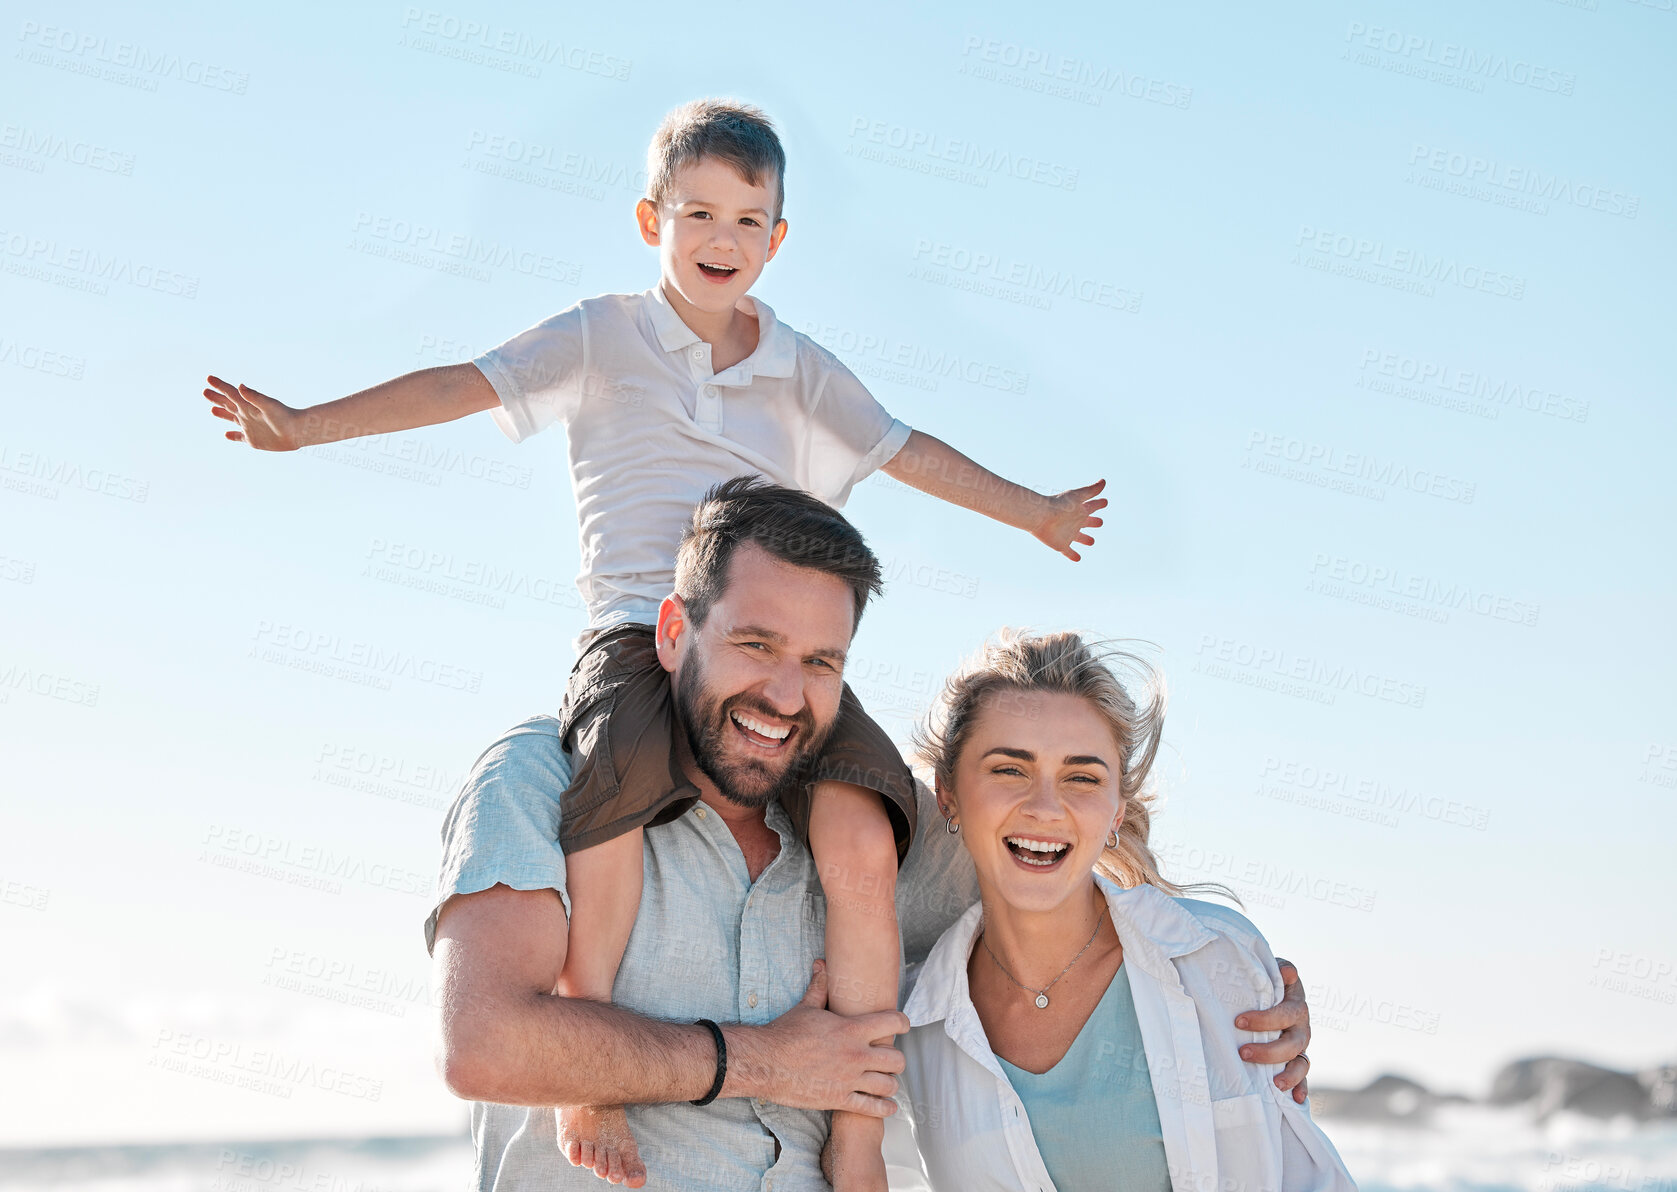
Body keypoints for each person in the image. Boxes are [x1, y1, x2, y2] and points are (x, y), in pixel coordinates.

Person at [200, 99, 1106, 1189]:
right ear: (651, 221)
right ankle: (591, 1059)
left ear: (777, 240)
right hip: (639, 634)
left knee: (866, 837)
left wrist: (1037, 510)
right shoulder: (601, 334)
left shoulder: (802, 368)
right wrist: (305, 424)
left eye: (747, 220)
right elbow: (461, 383)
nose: (722, 241)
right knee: (617, 804)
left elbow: (908, 451)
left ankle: (857, 1134)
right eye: (699, 215)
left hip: (770, 644)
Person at [427, 478, 1316, 1191]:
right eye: (754, 644)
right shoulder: (542, 778)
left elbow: (1057, 896)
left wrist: (1230, 984)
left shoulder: (874, 829)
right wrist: (766, 1063)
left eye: (821, 663)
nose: (784, 694)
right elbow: (483, 1042)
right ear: (673, 632)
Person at [898, 630, 1353, 1191]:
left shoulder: (1216, 959)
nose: (1045, 807)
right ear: (948, 795)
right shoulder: (915, 1021)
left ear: (1117, 811)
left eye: (1082, 777)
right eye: (1009, 769)